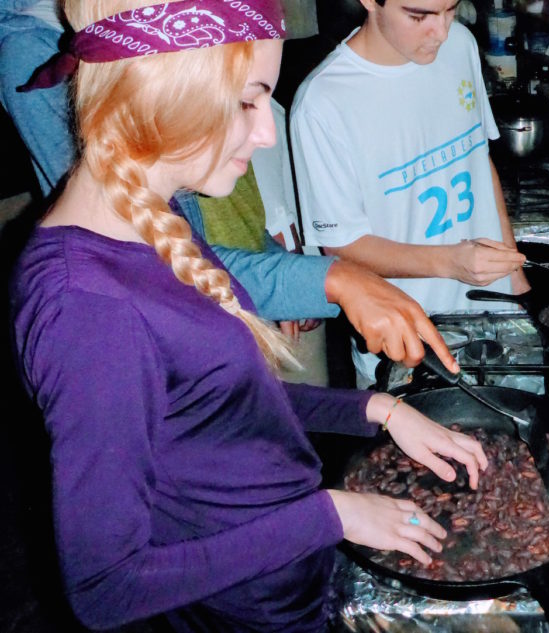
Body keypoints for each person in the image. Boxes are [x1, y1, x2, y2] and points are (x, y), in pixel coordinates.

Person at [9, 1, 488, 630]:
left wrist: (377, 410)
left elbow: (220, 405)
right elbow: (106, 588)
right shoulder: (89, 312)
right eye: (247, 101)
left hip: (286, 575)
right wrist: (332, 515)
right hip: (239, 610)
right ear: (167, 91)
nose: (266, 133)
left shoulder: (157, 215)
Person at [290, 0, 530, 387]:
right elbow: (342, 247)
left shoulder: (461, 46)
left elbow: (478, 159)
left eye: (450, 10)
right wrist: (450, 262)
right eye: (418, 16)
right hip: (409, 342)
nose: (441, 32)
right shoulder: (323, 103)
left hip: (497, 319)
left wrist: (515, 276)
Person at [0, 0, 73, 195]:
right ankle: (76, 209)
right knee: (20, 54)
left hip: (102, 32)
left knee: (21, 52)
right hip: (30, 30)